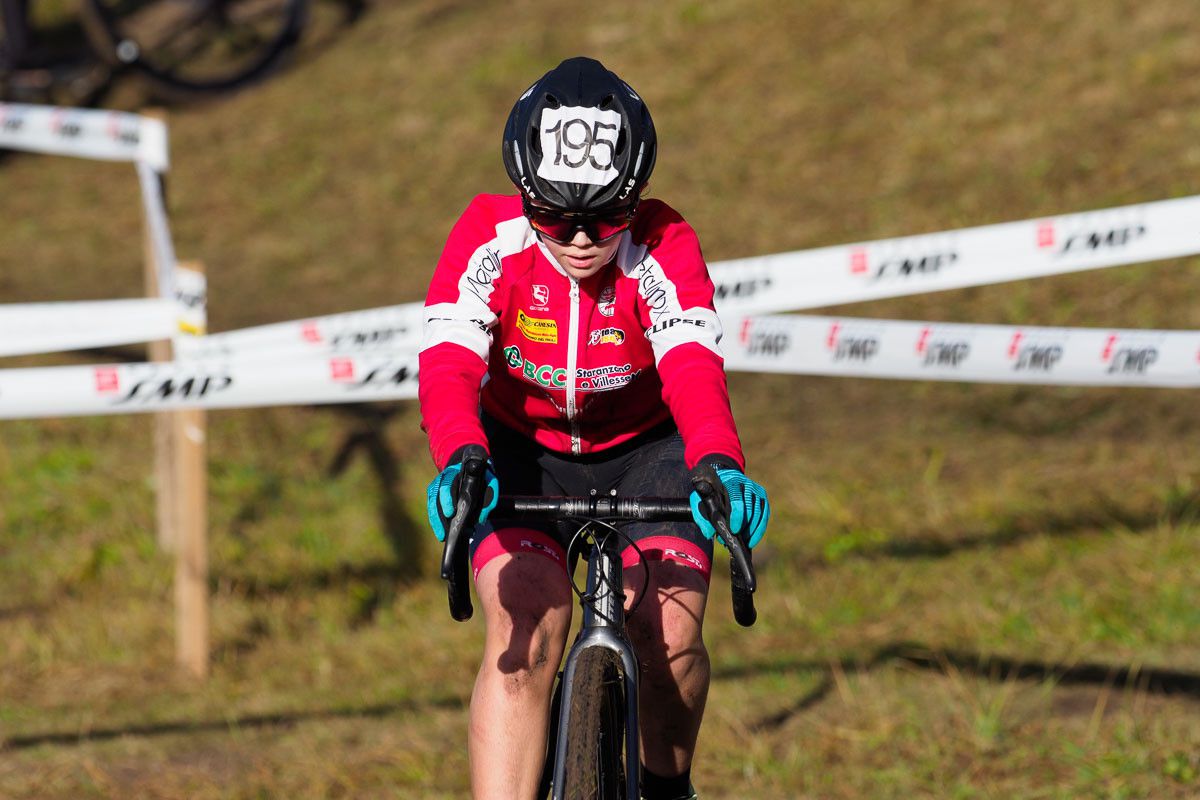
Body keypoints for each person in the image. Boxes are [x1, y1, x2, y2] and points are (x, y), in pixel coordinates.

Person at [419, 56, 770, 800]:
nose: (580, 240)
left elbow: (692, 366)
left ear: (635, 200)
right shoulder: (487, 235)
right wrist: (461, 455)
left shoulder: (664, 242)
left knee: (668, 637)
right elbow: (449, 362)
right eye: (554, 217)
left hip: (650, 449)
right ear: (525, 198)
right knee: (524, 636)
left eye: (607, 217)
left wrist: (718, 460)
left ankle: (667, 787)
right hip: (521, 452)